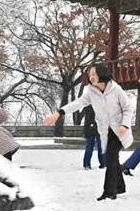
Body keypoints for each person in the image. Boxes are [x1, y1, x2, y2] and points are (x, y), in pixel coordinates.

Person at [44, 62, 134, 201]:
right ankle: (120, 186)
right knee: (112, 158)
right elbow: (78, 103)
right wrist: (58, 113)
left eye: (94, 74)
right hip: (105, 130)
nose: (91, 77)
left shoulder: (116, 89)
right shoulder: (90, 91)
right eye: (90, 74)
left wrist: (125, 125)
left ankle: (109, 191)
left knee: (110, 157)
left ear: (101, 73)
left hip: (119, 130)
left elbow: (128, 108)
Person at [80, 105, 105, 170]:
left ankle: (87, 164)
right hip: (96, 127)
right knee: (99, 146)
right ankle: (103, 163)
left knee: (91, 146)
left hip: (91, 127)